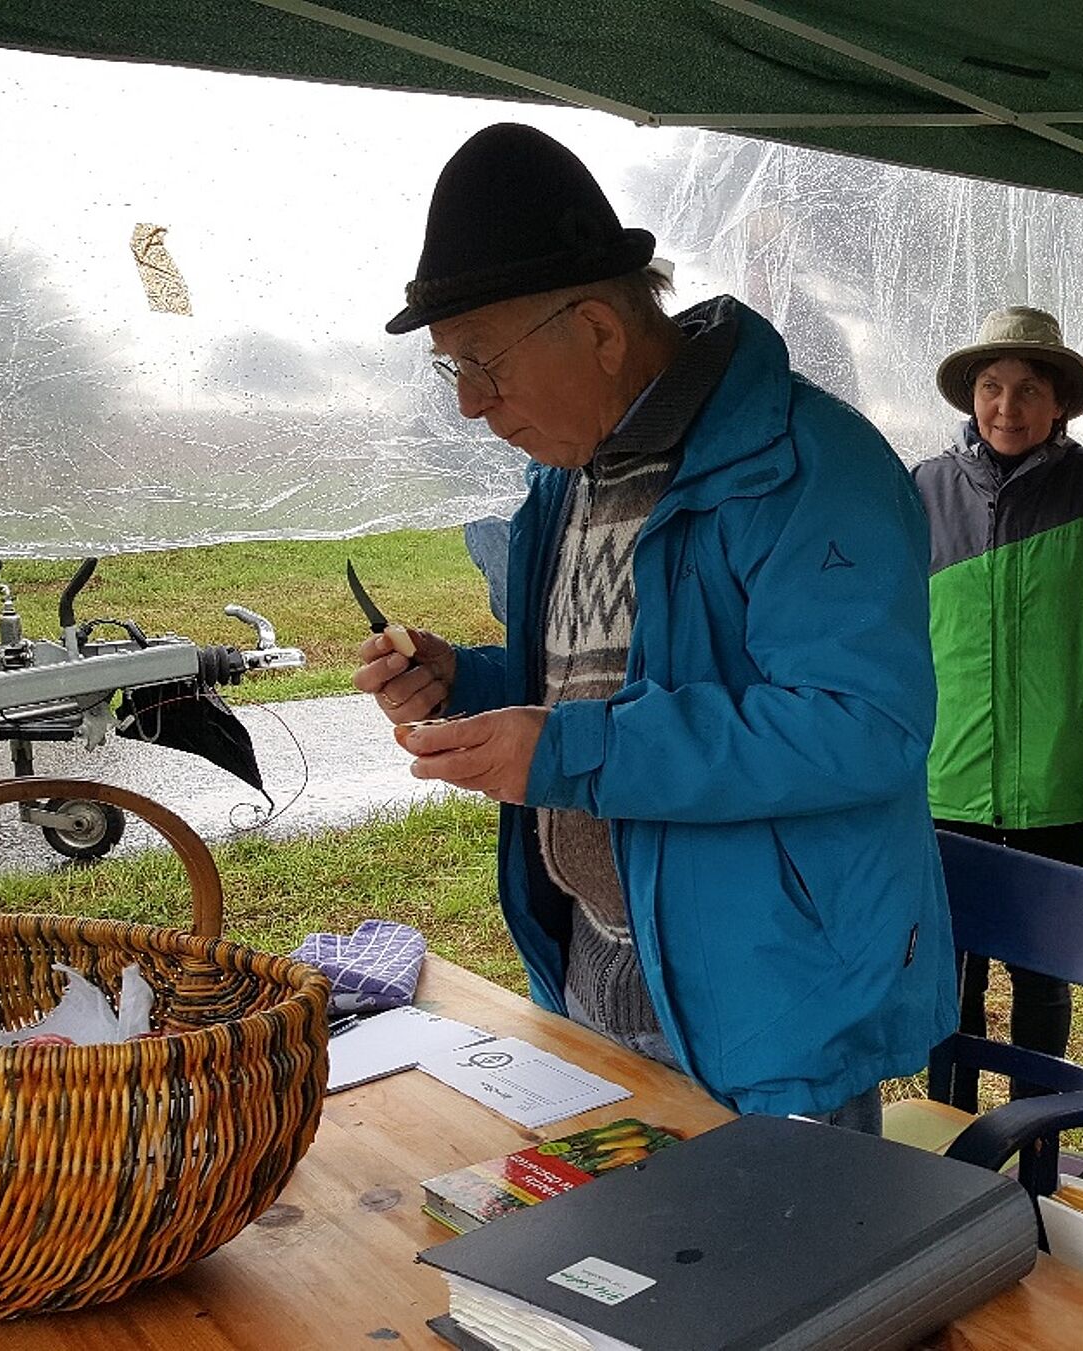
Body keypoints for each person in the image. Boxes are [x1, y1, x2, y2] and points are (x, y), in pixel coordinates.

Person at [354, 123, 955, 1132]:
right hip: (590, 973)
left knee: (776, 1283)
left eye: (482, 364)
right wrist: (472, 685)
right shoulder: (568, 475)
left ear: (596, 328)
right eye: (448, 370)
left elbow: (859, 724)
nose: (467, 406)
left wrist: (572, 751)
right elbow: (589, 690)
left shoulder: (813, 468)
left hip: (763, 1008)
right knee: (600, 1282)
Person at [911, 305, 1083, 1107]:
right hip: (944, 785)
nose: (1007, 407)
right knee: (946, 977)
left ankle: (1035, 1136)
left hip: (1059, 787)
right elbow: (885, 639)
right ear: (970, 397)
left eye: (1028, 389)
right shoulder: (923, 489)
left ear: (1058, 403)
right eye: (991, 387)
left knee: (1041, 972)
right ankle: (951, 1139)